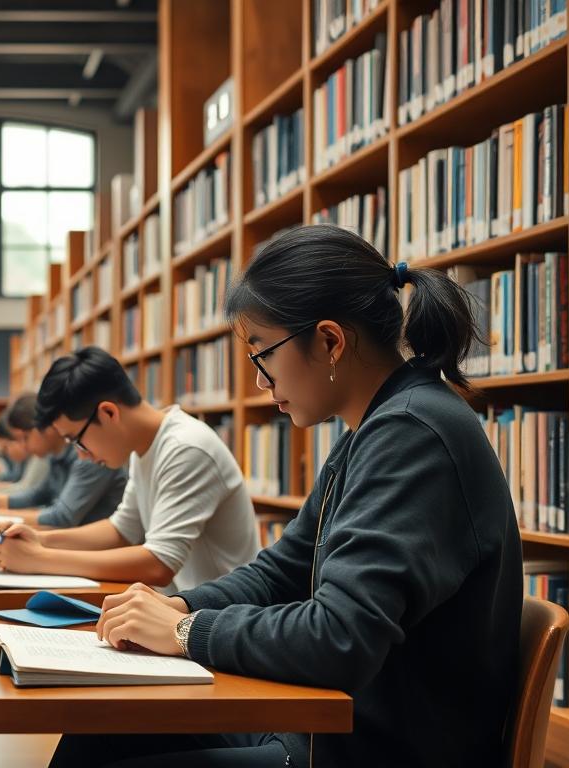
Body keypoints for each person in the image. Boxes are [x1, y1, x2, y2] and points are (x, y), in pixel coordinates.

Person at [54, 225, 521, 767]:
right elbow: (282, 570)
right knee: (101, 728)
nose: (260, 381)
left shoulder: (412, 436)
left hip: (371, 749)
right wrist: (177, 604)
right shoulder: (373, 429)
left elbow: (339, 638)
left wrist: (185, 631)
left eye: (262, 355)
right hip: (325, 725)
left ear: (329, 341)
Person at [0, 346, 259, 590]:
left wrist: (40, 559)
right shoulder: (144, 448)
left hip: (223, 620)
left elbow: (159, 563)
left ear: (108, 413)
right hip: (186, 610)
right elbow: (121, 531)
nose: (81, 456)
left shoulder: (186, 447)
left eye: (76, 440)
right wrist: (41, 540)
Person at [0, 394, 126, 527]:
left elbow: (63, 517)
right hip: (75, 541)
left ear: (47, 428)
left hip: (94, 547)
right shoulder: (56, 454)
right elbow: (39, 494)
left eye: (25, 438)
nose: (24, 446)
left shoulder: (88, 454)